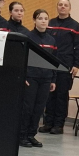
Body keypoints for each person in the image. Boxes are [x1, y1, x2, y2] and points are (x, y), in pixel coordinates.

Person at [41, 0, 79, 134]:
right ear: (57, 7)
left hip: (66, 65)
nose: (62, 7)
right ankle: (48, 122)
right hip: (50, 64)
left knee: (61, 95)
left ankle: (59, 124)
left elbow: (78, 47)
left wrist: (77, 64)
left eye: (65, 5)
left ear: (69, 9)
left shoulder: (75, 26)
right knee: (49, 94)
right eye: (60, 5)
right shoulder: (50, 23)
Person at [19, 9, 58, 148]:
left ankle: (31, 135)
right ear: (34, 20)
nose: (43, 21)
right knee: (28, 107)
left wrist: (53, 79)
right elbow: (21, 58)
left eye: (46, 18)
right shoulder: (27, 37)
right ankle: (22, 135)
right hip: (31, 77)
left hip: (46, 78)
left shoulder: (51, 40)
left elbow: (53, 60)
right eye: (40, 18)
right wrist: (22, 76)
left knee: (39, 108)